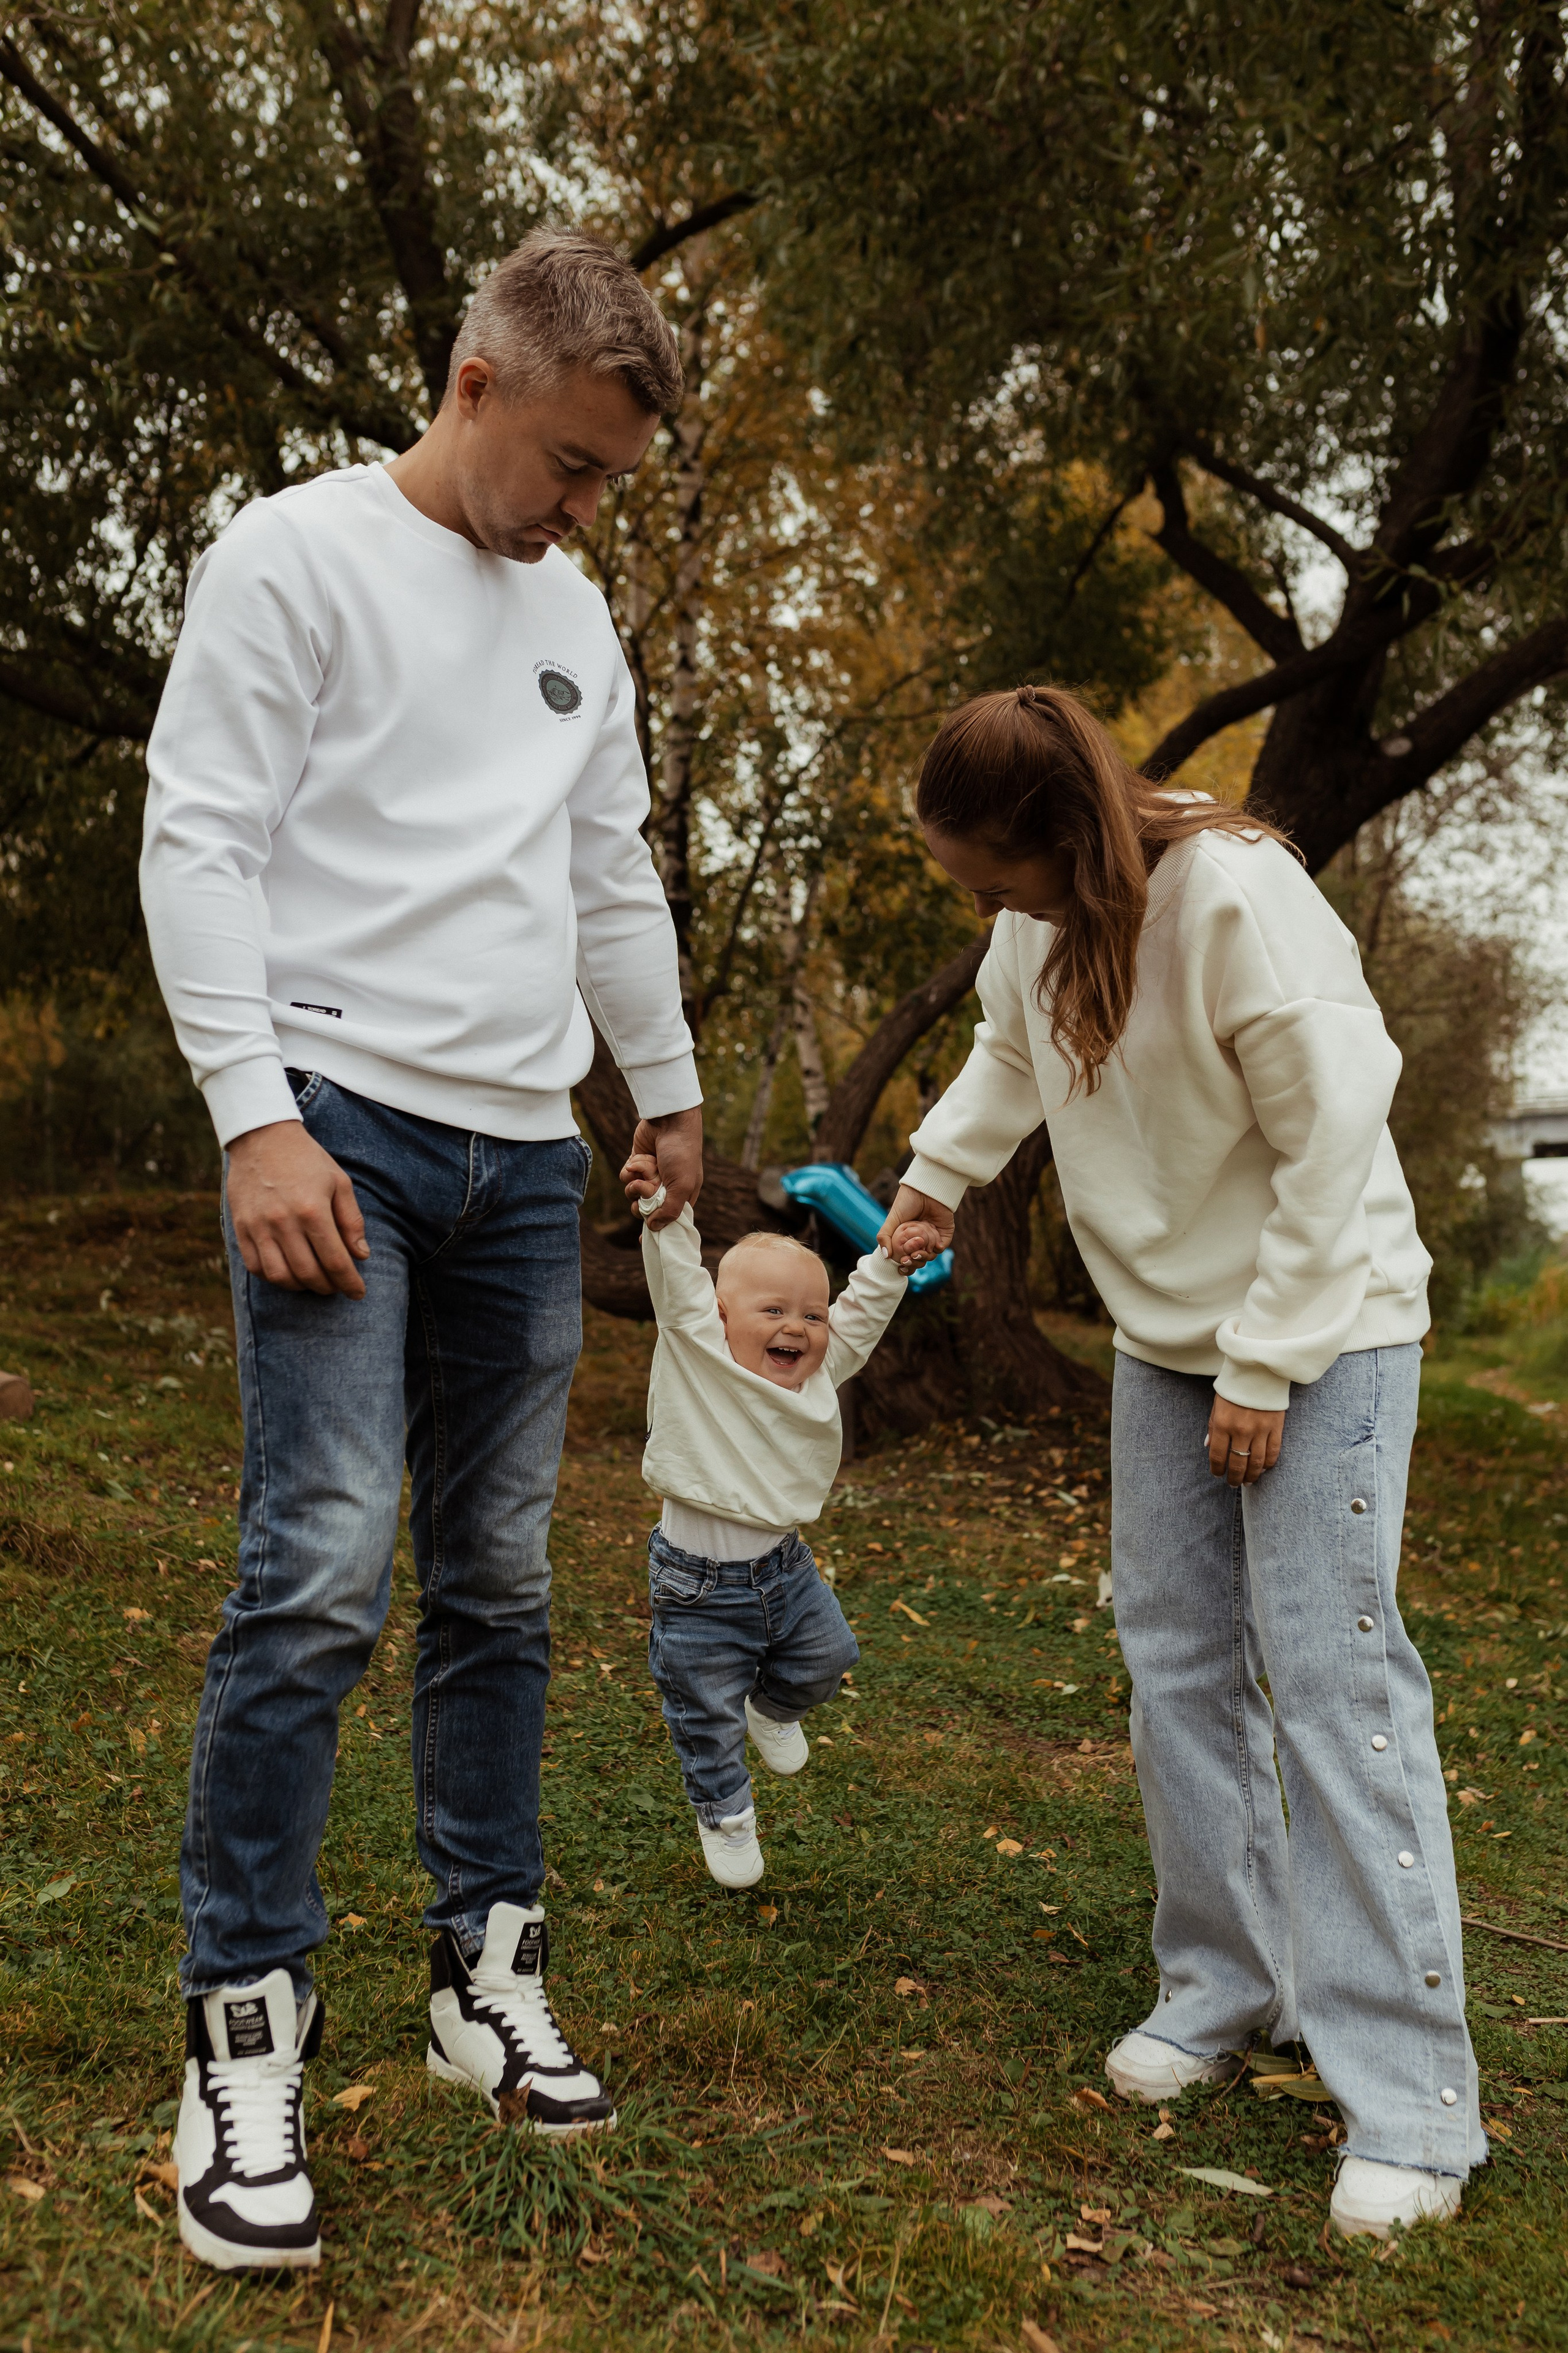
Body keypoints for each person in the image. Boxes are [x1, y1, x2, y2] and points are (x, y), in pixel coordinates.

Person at [140, 231, 700, 2274]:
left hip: (521, 1160)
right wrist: (255, 1115)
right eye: (565, 465)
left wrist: (667, 1080)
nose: (578, 512)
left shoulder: (576, 618)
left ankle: (485, 1973)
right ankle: (248, 2038)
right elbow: (197, 832)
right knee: (315, 1568)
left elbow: (601, 860)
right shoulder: (290, 560)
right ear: (474, 386)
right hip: (340, 1134)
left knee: (500, 1574)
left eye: (607, 485)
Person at [878, 684, 1483, 2241]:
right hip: (1165, 1335)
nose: (981, 907)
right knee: (1170, 1653)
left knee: (1329, 1667)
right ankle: (1226, 1982)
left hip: (1323, 1325)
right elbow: (1009, 1060)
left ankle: (1411, 2098)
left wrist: (1269, 1357)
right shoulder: (1041, 919)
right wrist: (937, 1177)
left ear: (1060, 836)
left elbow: (1337, 1124)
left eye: (988, 879)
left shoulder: (1232, 896)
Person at [624, 1158, 937, 1885]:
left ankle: (774, 1707)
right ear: (720, 1315)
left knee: (828, 1658)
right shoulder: (696, 1348)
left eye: (811, 1315)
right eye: (774, 1311)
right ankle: (725, 1814)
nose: (797, 1327)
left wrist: (889, 1262)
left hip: (784, 1570)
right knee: (705, 1715)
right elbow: (674, 1275)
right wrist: (665, 1210)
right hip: (694, 1587)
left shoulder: (816, 1372)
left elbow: (858, 1314)